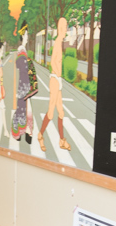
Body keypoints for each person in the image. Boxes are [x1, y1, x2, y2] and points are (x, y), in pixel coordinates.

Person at [38, 17, 71, 152]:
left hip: (58, 80)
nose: (66, 30)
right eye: (65, 27)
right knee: (51, 112)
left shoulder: (59, 42)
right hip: (55, 80)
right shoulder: (57, 42)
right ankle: (40, 135)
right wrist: (57, 75)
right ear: (60, 28)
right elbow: (53, 62)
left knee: (61, 112)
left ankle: (62, 140)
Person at [11, 20, 38, 144]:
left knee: (25, 111)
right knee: (23, 111)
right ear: (22, 35)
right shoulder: (21, 51)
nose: (27, 37)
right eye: (26, 34)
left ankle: (26, 133)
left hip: (24, 86)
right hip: (24, 87)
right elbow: (22, 71)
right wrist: (26, 87)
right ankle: (24, 134)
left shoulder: (23, 51)